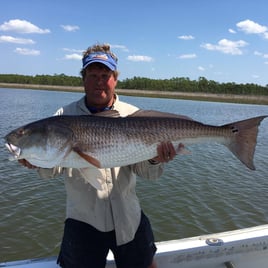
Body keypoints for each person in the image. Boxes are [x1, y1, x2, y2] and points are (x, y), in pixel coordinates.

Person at [19, 43, 179, 268]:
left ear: (115, 78)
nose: (99, 81)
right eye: (92, 75)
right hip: (83, 220)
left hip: (128, 216)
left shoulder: (133, 116)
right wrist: (37, 162)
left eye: (105, 75)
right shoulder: (63, 117)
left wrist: (154, 159)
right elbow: (51, 171)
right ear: (83, 78)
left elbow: (149, 175)